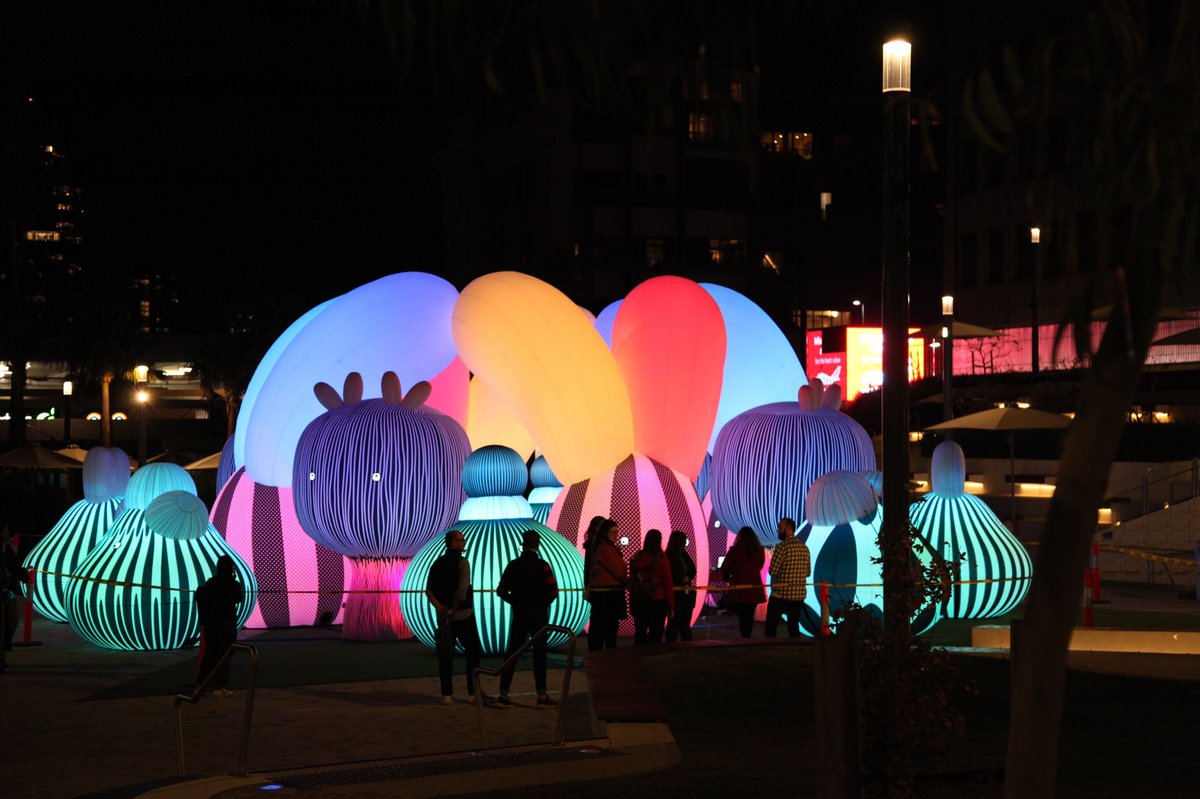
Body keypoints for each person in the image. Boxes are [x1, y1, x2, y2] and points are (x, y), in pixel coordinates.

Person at [426, 529, 493, 706]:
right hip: (463, 615)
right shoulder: (463, 563)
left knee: (446, 655)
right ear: (453, 542)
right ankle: (472, 692)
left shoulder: (437, 563)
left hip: (444, 618)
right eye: (461, 539)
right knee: (473, 652)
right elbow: (462, 591)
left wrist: (440, 608)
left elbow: (429, 590)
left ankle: (446, 694)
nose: (464, 542)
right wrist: (453, 609)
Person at [495, 529, 560, 708]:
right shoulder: (543, 565)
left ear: (523, 544)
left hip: (520, 614)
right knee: (540, 654)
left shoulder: (513, 565)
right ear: (537, 545)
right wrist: (542, 604)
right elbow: (553, 591)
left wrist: (515, 602)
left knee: (513, 653)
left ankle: (503, 693)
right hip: (538, 616)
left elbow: (501, 590)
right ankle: (542, 694)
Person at [195, 554, 244, 696]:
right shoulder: (233, 584)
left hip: (212, 625)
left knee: (210, 655)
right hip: (227, 625)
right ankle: (219, 686)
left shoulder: (211, 583)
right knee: (225, 657)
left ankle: (200, 685)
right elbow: (238, 599)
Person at [765, 517, 811, 638]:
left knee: (771, 624)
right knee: (793, 624)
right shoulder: (804, 548)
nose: (778, 530)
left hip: (781, 594)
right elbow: (807, 572)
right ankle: (794, 647)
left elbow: (772, 571)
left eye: (780, 527)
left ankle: (769, 647)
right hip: (798, 595)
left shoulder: (782, 547)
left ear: (789, 529)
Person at [587, 518, 627, 652]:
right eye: (613, 532)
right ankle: (604, 657)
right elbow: (619, 570)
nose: (616, 534)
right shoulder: (605, 549)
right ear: (605, 533)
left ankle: (600, 655)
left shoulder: (604, 547)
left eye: (617, 531)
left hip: (606, 595)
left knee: (603, 629)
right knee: (607, 629)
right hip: (608, 597)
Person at [628, 529, 674, 644]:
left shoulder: (636, 558)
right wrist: (671, 606)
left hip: (640, 600)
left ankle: (638, 658)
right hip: (658, 601)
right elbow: (667, 584)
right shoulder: (662, 559)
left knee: (640, 632)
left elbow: (632, 583)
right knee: (656, 634)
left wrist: (631, 602)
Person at [721, 526, 766, 638]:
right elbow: (760, 566)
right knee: (749, 614)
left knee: (742, 615)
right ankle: (747, 635)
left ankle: (744, 636)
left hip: (739, 587)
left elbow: (724, 567)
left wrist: (728, 577)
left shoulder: (735, 550)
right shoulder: (760, 550)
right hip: (754, 587)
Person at [1, 525, 27, 671]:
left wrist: (21, 575)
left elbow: (12, 565)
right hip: (3, 590)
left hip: (7, 591)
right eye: (5, 529)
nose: (8, 532)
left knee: (11, 620)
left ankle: (2, 654)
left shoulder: (7, 547)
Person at [664, 530, 697, 643]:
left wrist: (688, 577)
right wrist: (681, 579)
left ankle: (686, 644)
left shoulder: (684, 554)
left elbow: (693, 569)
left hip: (686, 595)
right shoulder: (669, 556)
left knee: (685, 623)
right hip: (676, 595)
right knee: (674, 623)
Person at [580, 515, 607, 604]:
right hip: (602, 585)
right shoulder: (600, 545)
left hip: (594, 584)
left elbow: (587, 566)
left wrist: (587, 585)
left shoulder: (591, 544)